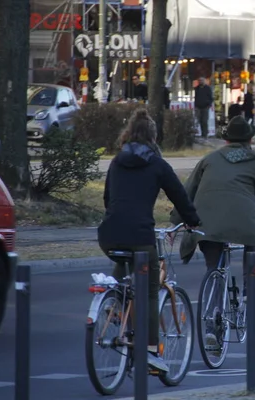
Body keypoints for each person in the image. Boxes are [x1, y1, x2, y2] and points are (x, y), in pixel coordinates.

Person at [97, 108, 201, 373]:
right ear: (153, 137)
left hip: (109, 234)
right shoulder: (156, 164)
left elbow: (108, 199)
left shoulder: (117, 161)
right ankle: (151, 351)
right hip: (141, 236)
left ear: (129, 133)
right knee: (151, 290)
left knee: (123, 260)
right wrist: (192, 220)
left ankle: (114, 304)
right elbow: (179, 196)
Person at [170, 115, 255, 352]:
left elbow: (187, 191)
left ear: (226, 139)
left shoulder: (208, 159)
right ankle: (252, 292)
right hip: (245, 222)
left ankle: (211, 324)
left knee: (214, 267)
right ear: (250, 139)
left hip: (206, 222)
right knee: (252, 242)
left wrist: (175, 221)